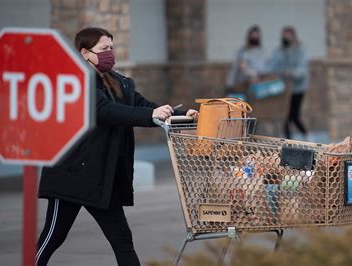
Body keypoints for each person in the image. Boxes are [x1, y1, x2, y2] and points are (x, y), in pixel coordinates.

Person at [36, 27, 198, 266]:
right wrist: (150, 114)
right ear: (84, 53)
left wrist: (184, 115)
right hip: (71, 176)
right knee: (53, 238)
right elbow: (106, 111)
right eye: (104, 48)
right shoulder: (75, 82)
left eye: (111, 48)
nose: (110, 53)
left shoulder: (120, 82)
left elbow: (145, 106)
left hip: (102, 177)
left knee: (122, 240)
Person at [267, 26, 309, 140]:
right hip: (283, 89)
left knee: (294, 116)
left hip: (297, 89)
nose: (285, 38)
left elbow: (302, 70)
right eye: (283, 35)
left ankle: (306, 136)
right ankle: (288, 140)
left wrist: (291, 73)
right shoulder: (279, 50)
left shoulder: (300, 50)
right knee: (284, 116)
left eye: (288, 35)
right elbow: (271, 65)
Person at [226, 25, 268, 91]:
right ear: (249, 36)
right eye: (253, 35)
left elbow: (263, 68)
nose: (254, 37)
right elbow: (237, 68)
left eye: (256, 35)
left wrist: (259, 77)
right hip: (243, 84)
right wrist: (230, 84)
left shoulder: (261, 51)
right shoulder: (242, 51)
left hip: (258, 86)